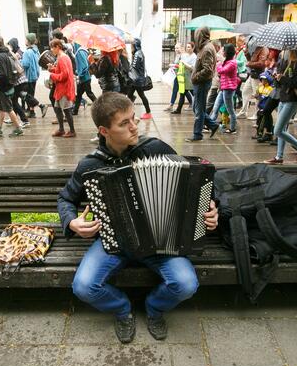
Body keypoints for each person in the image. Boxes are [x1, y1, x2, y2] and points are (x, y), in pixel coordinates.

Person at [58, 92, 219, 343]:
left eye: (134, 119)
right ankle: (123, 310)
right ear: (104, 130)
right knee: (84, 287)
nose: (135, 126)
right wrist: (71, 221)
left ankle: (154, 308)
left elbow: (193, 185)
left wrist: (209, 210)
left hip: (161, 242)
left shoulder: (155, 149)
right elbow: (66, 199)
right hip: (114, 243)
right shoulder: (91, 166)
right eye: (124, 123)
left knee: (186, 284)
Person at [264, 50, 297, 164]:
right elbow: (286, 81)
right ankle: (279, 157)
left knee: (277, 130)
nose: (287, 51)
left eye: (289, 49)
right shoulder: (291, 62)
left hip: (292, 100)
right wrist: (277, 78)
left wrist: (283, 78)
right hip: (284, 98)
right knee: (282, 129)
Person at [187, 26, 220, 142]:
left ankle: (197, 134)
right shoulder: (204, 48)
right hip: (199, 83)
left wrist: (195, 77)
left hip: (202, 83)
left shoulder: (206, 49)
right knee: (197, 109)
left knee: (199, 111)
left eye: (197, 34)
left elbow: (208, 70)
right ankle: (212, 125)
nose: (196, 37)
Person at [207, 43, 240, 134]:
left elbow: (222, 70)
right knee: (215, 107)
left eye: (224, 50)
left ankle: (233, 128)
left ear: (228, 52)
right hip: (223, 88)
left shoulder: (232, 63)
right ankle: (210, 126)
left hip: (228, 90)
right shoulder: (226, 62)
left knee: (230, 110)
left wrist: (218, 64)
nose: (222, 52)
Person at [49, 39, 77, 138]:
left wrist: (52, 75)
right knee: (57, 108)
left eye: (52, 47)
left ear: (57, 47)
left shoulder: (63, 58)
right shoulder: (61, 57)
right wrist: (52, 69)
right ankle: (61, 129)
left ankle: (72, 131)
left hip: (64, 88)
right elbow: (60, 70)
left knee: (67, 110)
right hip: (61, 88)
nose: (51, 50)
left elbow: (64, 75)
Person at [239, 45, 268, 119]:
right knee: (245, 91)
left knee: (258, 95)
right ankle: (243, 112)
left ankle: (257, 114)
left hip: (258, 75)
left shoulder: (263, 49)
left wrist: (249, 64)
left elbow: (261, 63)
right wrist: (246, 53)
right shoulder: (256, 48)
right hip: (252, 74)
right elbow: (251, 60)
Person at [127, 38, 152, 120]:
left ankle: (148, 112)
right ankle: (129, 112)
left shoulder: (138, 54)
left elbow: (134, 66)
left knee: (140, 95)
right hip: (136, 79)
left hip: (136, 80)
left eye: (132, 45)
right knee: (130, 95)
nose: (131, 47)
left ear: (135, 45)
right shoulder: (138, 53)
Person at [22, 33, 45, 118]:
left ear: (28, 41)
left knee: (24, 94)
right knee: (31, 94)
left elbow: (25, 64)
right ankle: (32, 112)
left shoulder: (27, 52)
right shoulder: (36, 50)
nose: (25, 41)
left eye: (26, 39)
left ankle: (41, 106)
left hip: (28, 77)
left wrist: (19, 61)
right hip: (35, 75)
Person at [73, 43, 98, 116]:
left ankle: (100, 106)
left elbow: (84, 66)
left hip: (84, 78)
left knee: (89, 93)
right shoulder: (84, 51)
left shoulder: (79, 52)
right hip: (85, 77)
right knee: (79, 95)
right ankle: (75, 111)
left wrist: (79, 73)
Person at [171, 41, 196, 114]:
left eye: (189, 47)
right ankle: (178, 110)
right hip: (184, 78)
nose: (187, 48)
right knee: (182, 94)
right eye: (187, 47)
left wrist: (184, 63)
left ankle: (196, 108)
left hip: (190, 79)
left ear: (193, 48)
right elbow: (179, 64)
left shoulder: (194, 57)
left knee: (194, 94)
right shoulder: (185, 55)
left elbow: (193, 68)